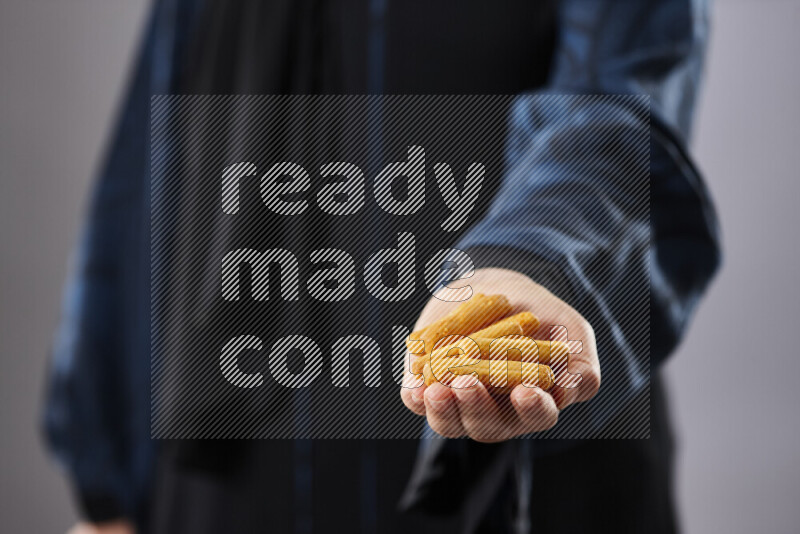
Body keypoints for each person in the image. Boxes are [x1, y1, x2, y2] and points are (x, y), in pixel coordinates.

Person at [44, 0, 721, 533]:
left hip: (514, 463)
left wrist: (523, 261)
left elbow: (617, 114)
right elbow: (155, 162)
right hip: (224, 469)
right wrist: (104, 480)